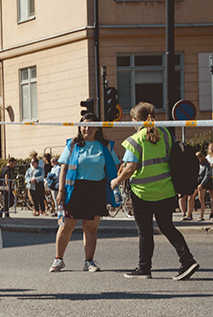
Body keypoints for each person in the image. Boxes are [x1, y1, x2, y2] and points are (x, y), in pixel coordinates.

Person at [111, 102, 199, 280]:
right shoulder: (165, 133)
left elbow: (130, 168)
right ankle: (187, 260)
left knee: (145, 232)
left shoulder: (135, 139)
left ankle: (144, 269)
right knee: (167, 227)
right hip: (166, 190)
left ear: (136, 120)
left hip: (143, 193)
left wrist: (116, 181)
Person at [50, 113, 119, 273]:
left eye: (91, 125)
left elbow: (114, 166)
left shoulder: (105, 146)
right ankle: (58, 259)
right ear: (80, 127)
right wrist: (61, 191)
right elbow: (63, 168)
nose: (87, 128)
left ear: (97, 127)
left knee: (91, 227)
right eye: (84, 125)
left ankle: (89, 261)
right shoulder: (73, 145)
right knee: (67, 226)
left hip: (96, 190)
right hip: (75, 189)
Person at [195, 150, 211, 221]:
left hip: (203, 183)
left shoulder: (206, 164)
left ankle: (202, 215)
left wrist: (201, 184)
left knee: (202, 199)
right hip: (198, 182)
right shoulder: (198, 164)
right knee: (197, 198)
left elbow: (207, 175)